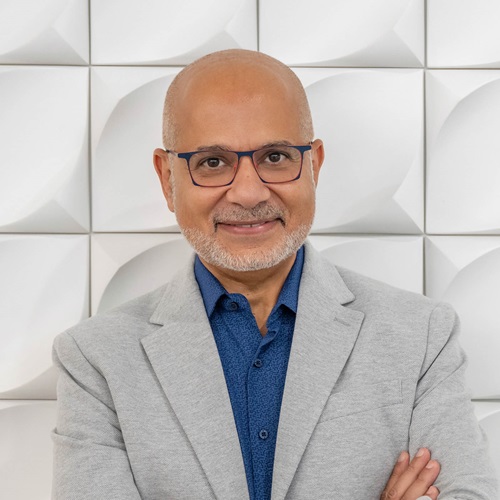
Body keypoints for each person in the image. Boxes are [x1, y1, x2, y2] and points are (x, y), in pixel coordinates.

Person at [51, 49, 497, 500]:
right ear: (167, 178)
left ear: (314, 165)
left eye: (276, 156)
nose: (248, 193)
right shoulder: (95, 360)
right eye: (212, 162)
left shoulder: (421, 336)